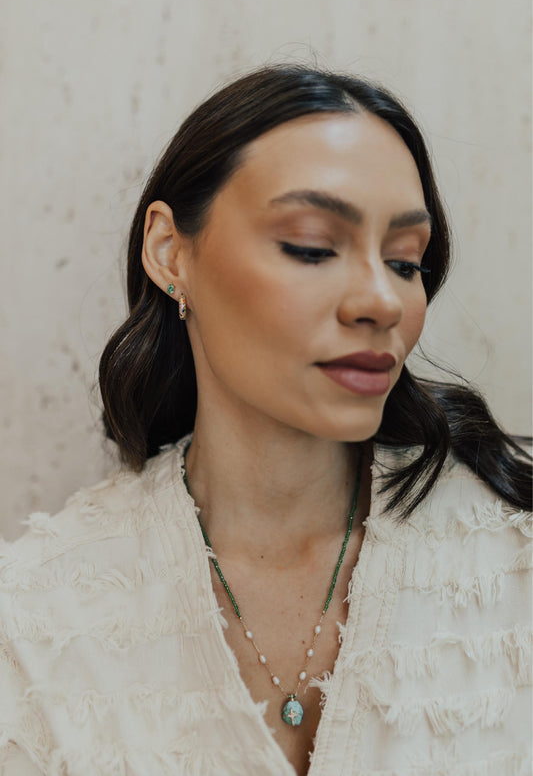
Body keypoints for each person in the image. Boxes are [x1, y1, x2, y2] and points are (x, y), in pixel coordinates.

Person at [0, 65, 531, 776]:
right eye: (311, 246)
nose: (382, 300)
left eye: (405, 262)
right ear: (169, 252)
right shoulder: (36, 618)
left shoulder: (514, 561)